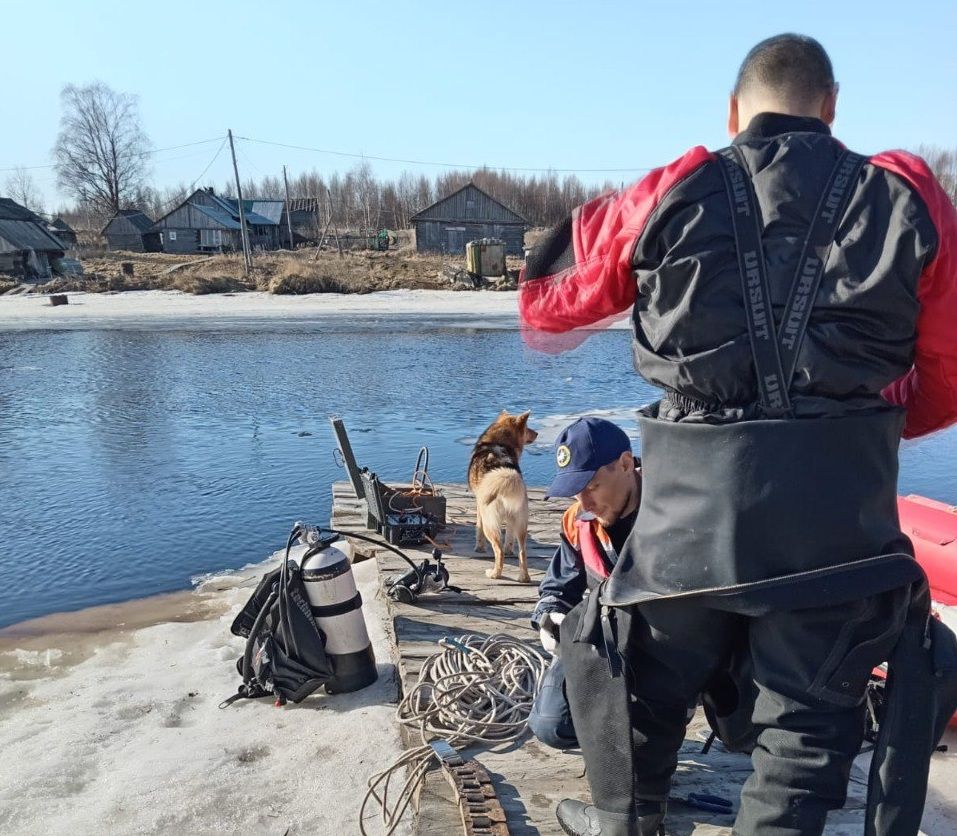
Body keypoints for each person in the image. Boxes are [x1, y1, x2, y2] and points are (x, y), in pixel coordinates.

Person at [519, 34, 957, 836]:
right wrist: (862, 428)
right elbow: (948, 369)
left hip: (688, 517)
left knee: (646, 679)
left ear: (731, 111)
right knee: (804, 731)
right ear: (830, 107)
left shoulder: (672, 189)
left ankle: (627, 821)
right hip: (835, 525)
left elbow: (547, 306)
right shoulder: (907, 196)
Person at [528, 416, 643, 751]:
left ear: (626, 464)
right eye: (575, 490)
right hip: (604, 637)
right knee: (551, 725)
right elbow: (558, 587)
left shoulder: (673, 511)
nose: (585, 504)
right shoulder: (577, 521)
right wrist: (548, 617)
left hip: (667, 641)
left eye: (592, 486)